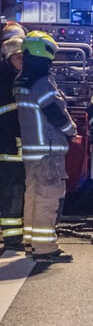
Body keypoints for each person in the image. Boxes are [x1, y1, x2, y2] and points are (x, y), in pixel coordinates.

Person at [14, 31, 77, 263]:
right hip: (47, 150)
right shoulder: (42, 82)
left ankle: (32, 242)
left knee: (33, 195)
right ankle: (45, 248)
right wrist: (71, 130)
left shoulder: (22, 81)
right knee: (47, 198)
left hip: (32, 149)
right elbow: (55, 113)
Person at [0, 25, 26, 253]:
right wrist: (19, 138)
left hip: (10, 145)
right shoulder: (7, 81)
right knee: (12, 190)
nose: (22, 62)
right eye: (19, 58)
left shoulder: (12, 76)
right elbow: (9, 115)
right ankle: (11, 237)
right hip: (9, 147)